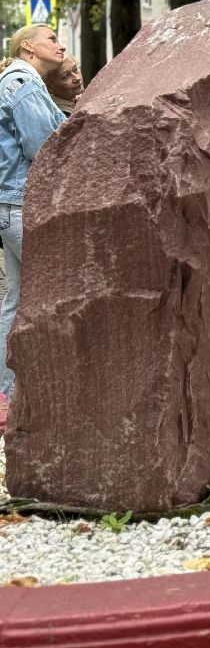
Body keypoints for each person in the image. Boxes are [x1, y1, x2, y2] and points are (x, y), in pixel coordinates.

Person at [0, 25, 67, 397]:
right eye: (52, 38)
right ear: (28, 46)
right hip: (24, 204)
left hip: (12, 204)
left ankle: (8, 392)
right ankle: (50, 387)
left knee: (17, 299)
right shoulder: (23, 82)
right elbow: (43, 146)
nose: (60, 45)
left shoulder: (21, 81)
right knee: (57, 289)